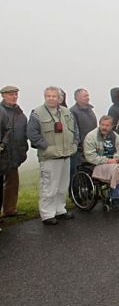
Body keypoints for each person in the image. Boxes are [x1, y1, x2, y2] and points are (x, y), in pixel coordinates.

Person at [27, 86, 78, 225]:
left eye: (54, 96)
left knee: (62, 186)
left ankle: (60, 209)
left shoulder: (66, 112)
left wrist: (74, 144)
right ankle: (47, 214)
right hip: (50, 157)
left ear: (59, 98)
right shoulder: (37, 113)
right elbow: (32, 134)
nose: (51, 98)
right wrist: (46, 147)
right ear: (45, 97)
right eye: (48, 96)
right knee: (49, 187)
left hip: (66, 154)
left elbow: (75, 130)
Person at [84, 116, 119, 209]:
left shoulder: (116, 136)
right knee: (116, 169)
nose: (104, 127)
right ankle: (115, 198)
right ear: (99, 124)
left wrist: (117, 159)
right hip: (96, 164)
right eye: (102, 125)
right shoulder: (91, 136)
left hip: (113, 163)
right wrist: (107, 161)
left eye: (107, 125)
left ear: (112, 126)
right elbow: (90, 156)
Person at [0, 86, 29, 219]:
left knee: (12, 183)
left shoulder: (21, 114)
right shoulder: (1, 111)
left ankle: (10, 210)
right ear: (3, 96)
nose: (14, 97)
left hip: (15, 154)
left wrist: (23, 150)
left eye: (15, 94)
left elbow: (24, 135)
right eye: (11, 94)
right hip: (2, 153)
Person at [69, 88, 98, 179]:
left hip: (91, 147)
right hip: (80, 150)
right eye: (85, 96)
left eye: (88, 95)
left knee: (91, 173)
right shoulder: (73, 112)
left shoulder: (90, 110)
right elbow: (73, 131)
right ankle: (77, 192)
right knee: (79, 174)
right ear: (77, 98)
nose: (88, 98)